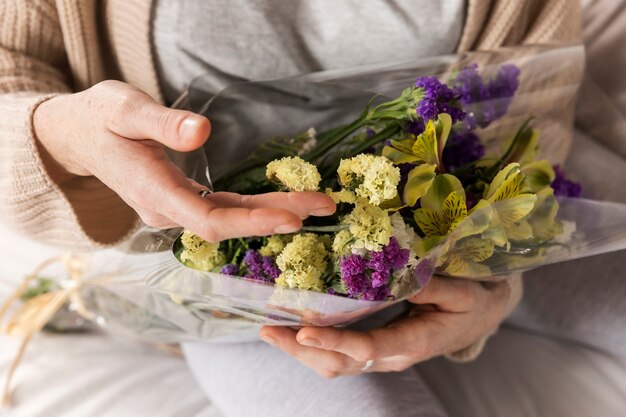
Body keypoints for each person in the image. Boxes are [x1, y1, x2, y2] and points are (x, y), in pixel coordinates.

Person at [0, 1, 587, 416]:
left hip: (439, 234)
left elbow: (524, 107)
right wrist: (56, 133)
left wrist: (493, 287)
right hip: (225, 287)